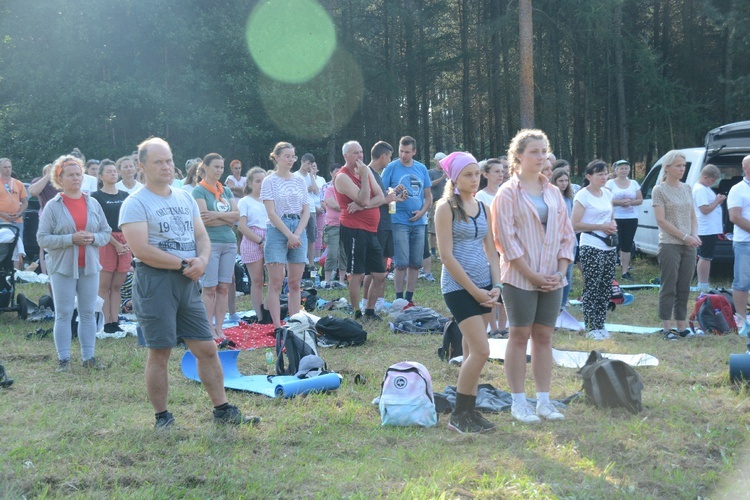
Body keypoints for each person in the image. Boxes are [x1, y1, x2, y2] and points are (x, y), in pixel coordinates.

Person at [120, 137, 259, 428]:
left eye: (169, 160)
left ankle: (222, 410)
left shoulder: (184, 197)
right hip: (155, 281)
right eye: (158, 162)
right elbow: (141, 249)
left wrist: (203, 259)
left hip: (188, 279)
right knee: (160, 351)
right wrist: (185, 264)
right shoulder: (135, 203)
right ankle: (163, 418)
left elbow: (200, 236)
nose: (166, 166)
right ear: (142, 166)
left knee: (207, 348)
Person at [492, 129, 575, 424]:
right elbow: (506, 241)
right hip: (519, 277)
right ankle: (518, 402)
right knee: (519, 336)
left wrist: (559, 272)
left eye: (544, 152)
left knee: (544, 337)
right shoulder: (507, 193)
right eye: (534, 152)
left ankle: (543, 401)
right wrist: (534, 276)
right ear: (519, 156)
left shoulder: (553, 192)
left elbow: (567, 236)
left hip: (554, 277)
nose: (540, 157)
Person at [435, 152, 501, 433]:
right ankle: (458, 416)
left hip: (485, 286)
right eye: (468, 175)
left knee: (472, 349)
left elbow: (492, 251)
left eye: (477, 174)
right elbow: (446, 256)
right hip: (459, 287)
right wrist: (474, 291)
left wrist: (496, 285)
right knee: (482, 350)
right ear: (454, 178)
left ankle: (470, 412)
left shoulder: (484, 207)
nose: (474, 180)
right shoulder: (445, 208)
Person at [37, 155, 111, 372]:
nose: (76, 178)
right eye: (70, 175)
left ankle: (89, 358)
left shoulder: (93, 203)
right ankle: (64, 360)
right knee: (64, 312)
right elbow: (42, 239)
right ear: (59, 178)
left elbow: (106, 233)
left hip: (89, 265)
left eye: (79, 174)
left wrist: (93, 238)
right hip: (62, 267)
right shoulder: (53, 206)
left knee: (88, 312)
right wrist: (70, 239)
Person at [334, 141, 387, 321]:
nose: (360, 156)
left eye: (361, 152)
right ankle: (357, 313)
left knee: (380, 274)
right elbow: (364, 199)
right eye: (355, 153)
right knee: (357, 273)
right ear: (346, 156)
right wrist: (364, 179)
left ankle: (370, 311)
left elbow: (381, 197)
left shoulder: (366, 171)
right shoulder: (342, 177)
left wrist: (361, 205)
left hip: (371, 229)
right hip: (354, 229)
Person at [652, 150, 701, 339]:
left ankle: (681, 327)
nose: (682, 169)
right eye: (678, 166)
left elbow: (692, 215)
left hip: (689, 244)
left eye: (684, 166)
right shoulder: (659, 190)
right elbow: (661, 221)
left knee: (685, 286)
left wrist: (694, 235)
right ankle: (667, 328)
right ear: (668, 168)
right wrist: (684, 236)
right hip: (669, 244)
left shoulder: (687, 188)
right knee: (669, 286)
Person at [260, 142, 310, 329]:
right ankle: (276, 325)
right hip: (277, 228)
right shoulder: (269, 181)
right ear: (277, 157)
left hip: (298, 226)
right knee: (276, 281)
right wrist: (288, 235)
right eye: (287, 156)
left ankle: (295, 321)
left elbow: (306, 210)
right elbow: (271, 212)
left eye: (293, 156)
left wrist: (296, 234)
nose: (290, 160)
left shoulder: (299, 180)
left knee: (295, 281)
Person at [192, 153, 239, 341]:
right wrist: (226, 218)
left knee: (224, 287)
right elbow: (204, 219)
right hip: (210, 243)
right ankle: (208, 328)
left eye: (221, 167)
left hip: (229, 242)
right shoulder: (199, 191)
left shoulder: (225, 191)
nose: (219, 170)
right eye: (216, 167)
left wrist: (217, 216)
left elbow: (237, 215)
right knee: (209, 287)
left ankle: (220, 327)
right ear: (205, 168)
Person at [381, 136, 432, 304]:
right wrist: (394, 195)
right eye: (401, 151)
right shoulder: (391, 167)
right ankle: (398, 299)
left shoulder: (421, 168)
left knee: (416, 263)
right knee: (401, 262)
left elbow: (428, 196)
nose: (403, 155)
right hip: (398, 220)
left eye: (407, 152)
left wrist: (422, 212)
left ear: (414, 152)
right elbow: (382, 192)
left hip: (418, 221)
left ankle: (409, 298)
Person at [572, 160, 618, 339]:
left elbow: (611, 216)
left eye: (605, 174)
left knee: (605, 286)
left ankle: (600, 323)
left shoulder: (607, 193)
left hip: (608, 245)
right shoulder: (582, 196)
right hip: (591, 245)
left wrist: (612, 226)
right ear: (589, 176)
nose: (604, 177)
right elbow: (574, 224)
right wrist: (600, 226)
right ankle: (590, 325)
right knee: (592, 285)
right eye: (599, 174)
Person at [92, 162, 131, 334]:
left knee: (117, 285)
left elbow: (130, 220)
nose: (113, 174)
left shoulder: (125, 195)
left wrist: (127, 242)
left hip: (125, 239)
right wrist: (115, 243)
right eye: (109, 172)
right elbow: (97, 225)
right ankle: (105, 321)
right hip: (106, 240)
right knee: (104, 285)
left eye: (115, 171)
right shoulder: (95, 197)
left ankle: (115, 320)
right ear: (101, 176)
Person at [475, 158, 509, 336]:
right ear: (486, 174)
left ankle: (503, 326)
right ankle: (493, 327)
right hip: (488, 246)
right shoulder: (481, 196)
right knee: (491, 286)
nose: (500, 174)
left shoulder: (506, 193)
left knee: (504, 286)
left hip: (505, 245)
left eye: (502, 171)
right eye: (496, 171)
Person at [362, 141, 397, 304]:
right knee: (374, 268)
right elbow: (366, 201)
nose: (390, 160)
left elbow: (381, 198)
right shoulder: (367, 173)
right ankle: (365, 301)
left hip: (385, 223)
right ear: (383, 156)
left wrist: (392, 198)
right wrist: (386, 199)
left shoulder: (378, 175)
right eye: (389, 156)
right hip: (376, 225)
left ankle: (379, 300)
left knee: (383, 265)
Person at [237, 167, 269, 318]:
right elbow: (242, 226)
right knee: (257, 280)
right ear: (250, 183)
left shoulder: (268, 201)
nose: (261, 184)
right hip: (252, 240)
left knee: (275, 278)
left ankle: (270, 310)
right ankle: (260, 315)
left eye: (263, 181)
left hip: (270, 239)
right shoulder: (245, 202)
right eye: (257, 181)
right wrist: (260, 240)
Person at [605, 160, 642, 281]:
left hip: (631, 218)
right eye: (621, 168)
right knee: (613, 244)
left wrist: (630, 202)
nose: (624, 171)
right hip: (614, 218)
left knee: (627, 245)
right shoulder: (610, 183)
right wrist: (619, 203)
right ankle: (609, 271)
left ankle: (625, 271)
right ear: (616, 170)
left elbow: (640, 199)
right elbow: (605, 199)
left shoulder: (634, 183)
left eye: (626, 168)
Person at [692, 164, 725, 291]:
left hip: (710, 228)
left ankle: (703, 283)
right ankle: (703, 284)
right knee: (705, 257)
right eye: (712, 180)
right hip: (705, 229)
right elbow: (704, 209)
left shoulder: (704, 188)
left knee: (707, 256)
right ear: (706, 177)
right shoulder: (700, 189)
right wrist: (717, 201)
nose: (713, 183)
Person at [728, 155, 750, 333]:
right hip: (745, 242)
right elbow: (734, 217)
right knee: (742, 282)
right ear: (744, 168)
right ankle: (742, 320)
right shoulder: (737, 189)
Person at [550, 168, 576, 311]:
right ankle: (555, 302)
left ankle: (564, 302)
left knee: (567, 273)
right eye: (560, 181)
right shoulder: (550, 197)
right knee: (556, 271)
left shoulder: (569, 198)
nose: (564, 183)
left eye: (566, 180)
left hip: (569, 240)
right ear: (554, 181)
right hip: (555, 240)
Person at [322, 164, 346, 284]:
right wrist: (346, 207)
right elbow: (333, 205)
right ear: (332, 173)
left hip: (345, 224)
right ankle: (327, 280)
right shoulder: (329, 189)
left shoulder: (345, 190)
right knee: (332, 252)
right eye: (336, 171)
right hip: (332, 225)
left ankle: (341, 280)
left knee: (344, 253)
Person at [296, 153, 320, 268]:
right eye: (307, 164)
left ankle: (311, 263)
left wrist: (311, 176)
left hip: (312, 210)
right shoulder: (295, 176)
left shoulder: (311, 176)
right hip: (300, 210)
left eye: (311, 164)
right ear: (302, 162)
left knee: (312, 237)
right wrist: (306, 189)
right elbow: (293, 193)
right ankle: (301, 260)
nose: (309, 166)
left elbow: (316, 192)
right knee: (301, 236)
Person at [426, 152, 448, 261]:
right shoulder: (431, 172)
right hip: (434, 203)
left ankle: (443, 251)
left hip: (447, 204)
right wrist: (442, 178)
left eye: (443, 161)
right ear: (435, 161)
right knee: (433, 229)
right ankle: (433, 252)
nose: (441, 163)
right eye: (439, 160)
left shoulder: (447, 173)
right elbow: (429, 184)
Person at [0, 158, 28, 232]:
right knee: (3, 243)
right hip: (2, 220)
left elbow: (25, 202)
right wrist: (3, 214)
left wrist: (19, 213)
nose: (8, 169)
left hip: (17, 220)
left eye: (9, 167)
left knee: (18, 242)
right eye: (5, 167)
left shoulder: (19, 183)